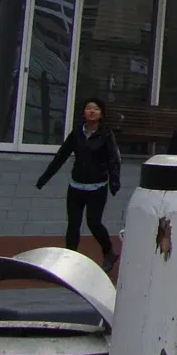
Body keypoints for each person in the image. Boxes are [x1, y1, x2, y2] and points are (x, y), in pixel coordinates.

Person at [35, 98, 122, 272]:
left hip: (97, 187)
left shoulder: (106, 135)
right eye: (88, 108)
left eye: (96, 109)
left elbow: (114, 159)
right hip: (76, 186)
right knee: (73, 224)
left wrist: (114, 182)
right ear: (83, 112)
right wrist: (45, 178)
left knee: (93, 222)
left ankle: (109, 253)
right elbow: (61, 156)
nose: (91, 111)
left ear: (101, 114)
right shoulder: (76, 133)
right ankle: (69, 259)